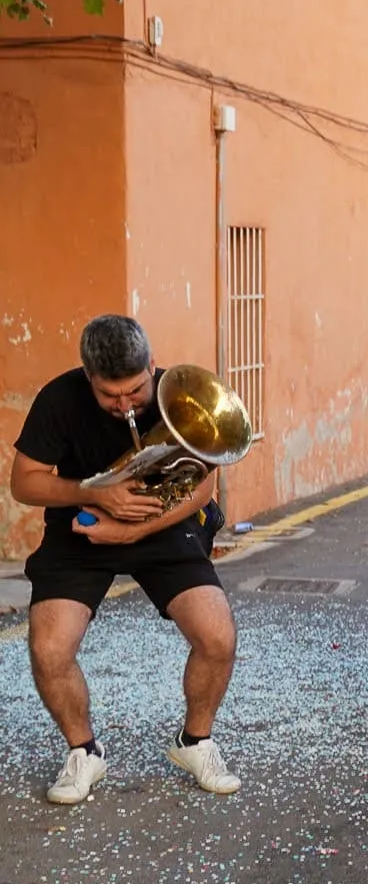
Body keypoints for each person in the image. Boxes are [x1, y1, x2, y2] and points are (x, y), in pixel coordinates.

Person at [11, 315, 242, 803]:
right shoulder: (59, 398)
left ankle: (194, 741)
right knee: (49, 648)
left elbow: (203, 488)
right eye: (109, 396)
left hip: (163, 523)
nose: (124, 406)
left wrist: (130, 530)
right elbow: (24, 481)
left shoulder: (180, 395)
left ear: (153, 368)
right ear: (88, 378)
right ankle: (83, 752)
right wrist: (93, 495)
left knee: (217, 636)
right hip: (82, 524)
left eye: (134, 392)